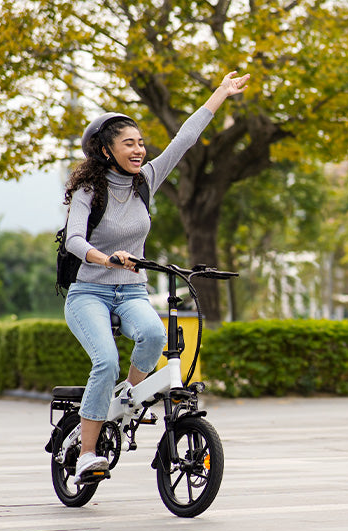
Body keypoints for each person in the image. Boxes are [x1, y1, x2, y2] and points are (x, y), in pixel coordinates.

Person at [63, 70, 250, 484]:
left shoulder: (146, 180)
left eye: (141, 142)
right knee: (106, 361)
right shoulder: (88, 191)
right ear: (106, 151)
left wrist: (221, 93)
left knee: (154, 336)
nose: (139, 149)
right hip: (89, 291)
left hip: (131, 291)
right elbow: (74, 239)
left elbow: (185, 139)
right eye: (128, 143)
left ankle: (127, 401)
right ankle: (87, 454)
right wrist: (107, 259)